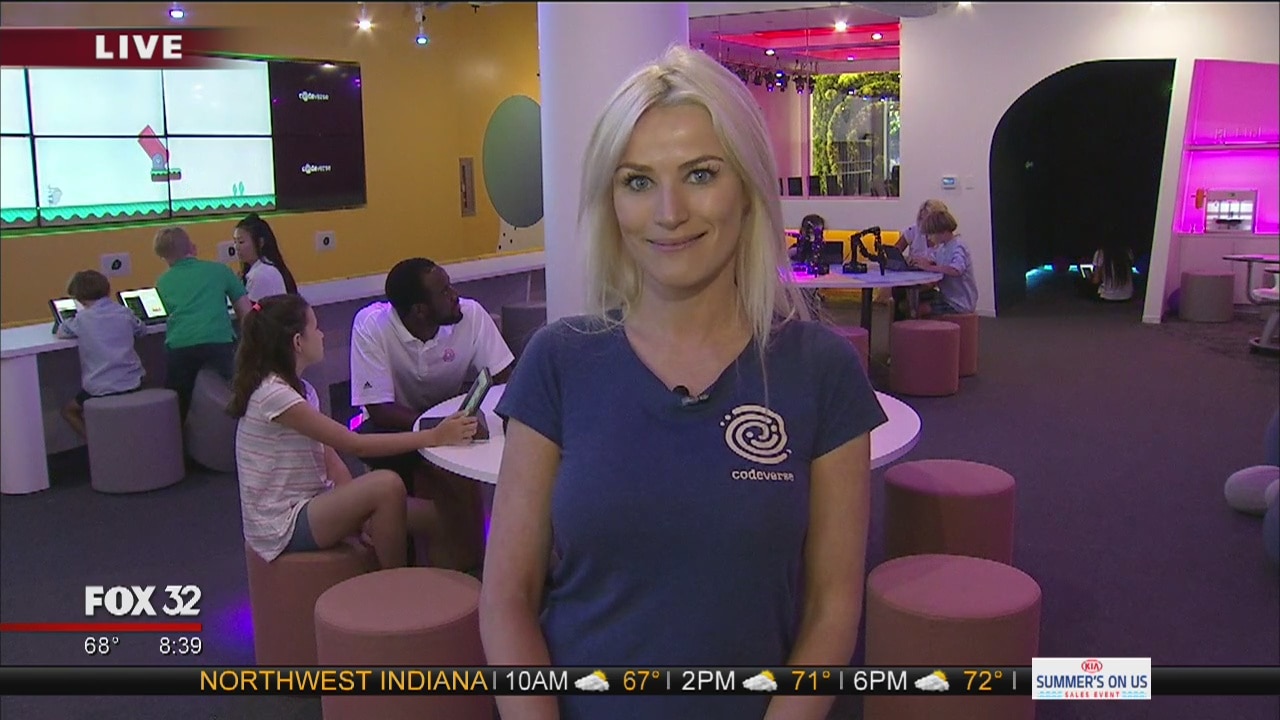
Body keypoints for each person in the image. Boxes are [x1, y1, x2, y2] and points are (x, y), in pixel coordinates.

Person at [479, 44, 887, 720]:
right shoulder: (559, 361)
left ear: (748, 189)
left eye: (700, 174)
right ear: (612, 202)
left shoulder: (821, 370)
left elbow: (830, 608)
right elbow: (506, 600)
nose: (668, 211)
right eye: (638, 181)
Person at [229, 294, 479, 568]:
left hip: (314, 502)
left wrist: (356, 513)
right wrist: (434, 436)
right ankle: (396, 583)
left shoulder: (302, 391)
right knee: (387, 485)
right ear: (298, 342)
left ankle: (451, 580)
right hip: (282, 523)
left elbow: (330, 458)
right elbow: (354, 444)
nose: (322, 335)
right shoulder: (274, 396)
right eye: (316, 328)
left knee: (436, 518)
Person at [349, 257, 515, 571]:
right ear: (420, 311)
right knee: (432, 488)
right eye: (444, 291)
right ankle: (406, 568)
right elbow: (380, 410)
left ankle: (469, 567)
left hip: (447, 419)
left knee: (464, 483)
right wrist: (437, 430)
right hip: (393, 430)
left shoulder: (471, 315)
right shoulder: (371, 326)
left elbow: (506, 378)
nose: (455, 295)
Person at [153, 226, 253, 418]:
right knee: (233, 396)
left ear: (163, 256)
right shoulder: (220, 270)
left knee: (179, 404)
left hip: (180, 346)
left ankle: (180, 435)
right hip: (219, 342)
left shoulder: (162, 281)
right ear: (192, 247)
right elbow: (246, 313)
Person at [55, 270, 147, 439]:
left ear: (78, 298)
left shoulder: (82, 319)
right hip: (133, 382)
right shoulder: (124, 312)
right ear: (107, 290)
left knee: (68, 411)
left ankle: (96, 444)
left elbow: (62, 332)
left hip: (101, 388)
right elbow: (141, 329)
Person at [908, 208, 978, 315]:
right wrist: (917, 261)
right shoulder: (942, 247)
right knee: (913, 299)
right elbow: (932, 259)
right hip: (947, 296)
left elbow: (956, 269)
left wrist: (929, 268)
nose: (929, 238)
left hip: (959, 303)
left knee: (919, 308)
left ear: (943, 232)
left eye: (931, 234)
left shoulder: (958, 246)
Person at [893, 198, 949, 319]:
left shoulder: (945, 239)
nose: (923, 223)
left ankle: (906, 322)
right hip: (912, 276)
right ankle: (902, 325)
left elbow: (946, 269)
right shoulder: (914, 230)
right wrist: (906, 260)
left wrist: (929, 264)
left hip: (933, 282)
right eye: (921, 219)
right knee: (899, 291)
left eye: (927, 219)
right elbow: (895, 251)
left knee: (903, 293)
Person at [233, 213, 299, 300]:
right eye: (235, 242)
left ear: (260, 242)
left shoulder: (259, 275)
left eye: (241, 242)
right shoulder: (267, 268)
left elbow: (249, 308)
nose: (236, 247)